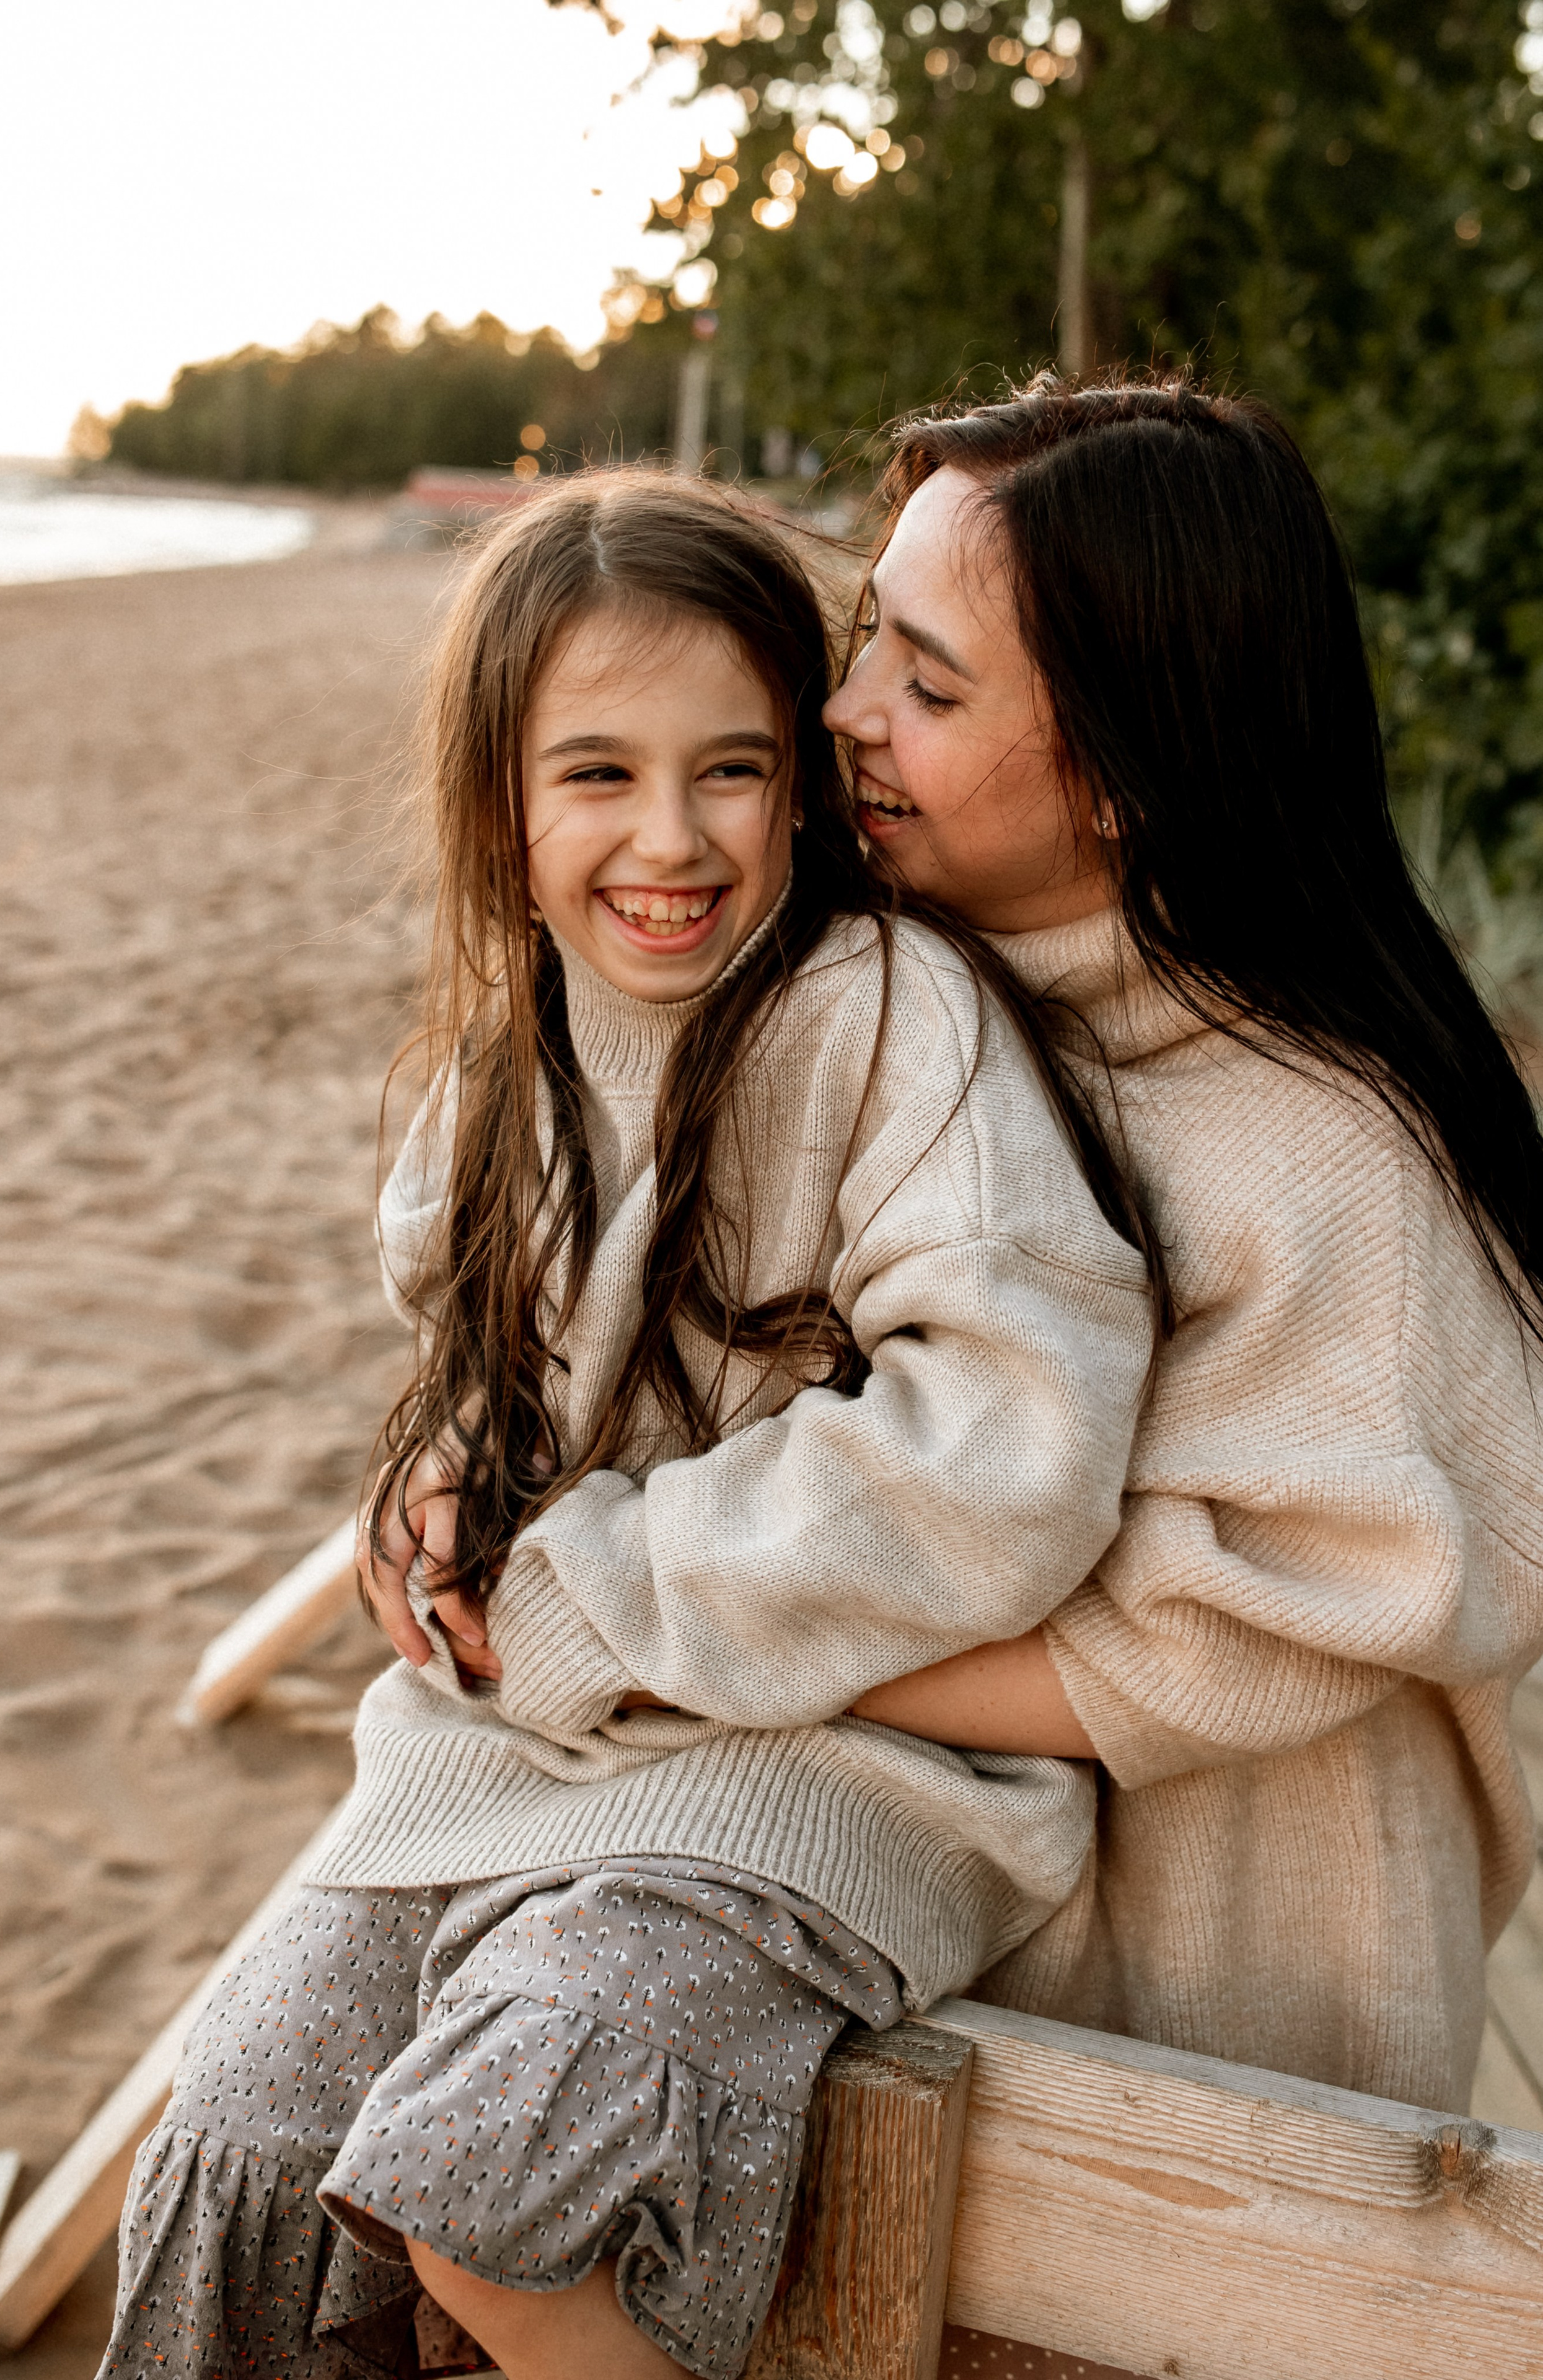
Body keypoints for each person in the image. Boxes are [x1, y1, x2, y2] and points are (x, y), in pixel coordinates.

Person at [98, 470, 1154, 2380]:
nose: (670, 839)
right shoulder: (506, 1071)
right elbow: (481, 1380)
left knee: (493, 2186)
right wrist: (436, 1489)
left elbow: (1011, 1440)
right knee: (234, 2149)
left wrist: (594, 1589)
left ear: (804, 786)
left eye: (731, 770)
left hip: (819, 1781)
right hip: (499, 1767)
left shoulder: (886, 1017)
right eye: (597, 775)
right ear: (500, 818)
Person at [824, 376, 1543, 2115]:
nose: (847, 711)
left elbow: (1238, 1626)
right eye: (868, 642)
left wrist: (708, 1643)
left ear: (1133, 770)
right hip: (932, 1950)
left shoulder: (1332, 1153)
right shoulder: (903, 1008)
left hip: (1234, 2034)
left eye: (927, 684)